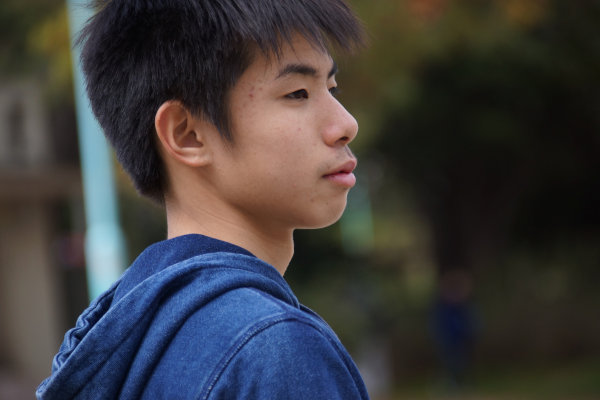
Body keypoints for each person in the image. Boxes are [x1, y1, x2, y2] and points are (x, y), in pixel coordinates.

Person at [37, 0, 369, 399]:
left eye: (331, 89)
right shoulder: (273, 349)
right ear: (187, 134)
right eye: (298, 93)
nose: (345, 124)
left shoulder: (121, 348)